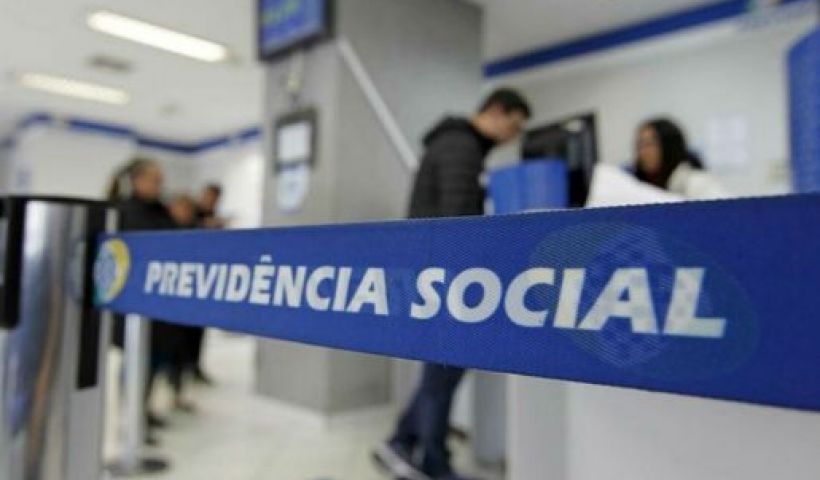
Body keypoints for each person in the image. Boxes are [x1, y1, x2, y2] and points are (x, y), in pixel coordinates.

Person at [373, 88, 531, 480]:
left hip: (436, 274)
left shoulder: (455, 144)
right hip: (446, 277)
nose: (512, 137)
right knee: (444, 369)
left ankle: (402, 442)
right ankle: (432, 461)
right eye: (513, 126)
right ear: (496, 111)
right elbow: (458, 220)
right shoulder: (462, 147)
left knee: (442, 369)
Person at [107, 158, 180, 444]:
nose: (159, 185)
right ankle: (130, 419)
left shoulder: (161, 211)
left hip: (160, 306)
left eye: (160, 180)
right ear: (137, 181)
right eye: (154, 179)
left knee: (154, 364)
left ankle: (143, 411)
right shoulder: (124, 212)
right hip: (133, 306)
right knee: (135, 364)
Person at [634, 118, 728, 199]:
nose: (642, 152)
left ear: (669, 147)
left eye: (649, 144)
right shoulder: (640, 187)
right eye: (639, 145)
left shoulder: (697, 183)